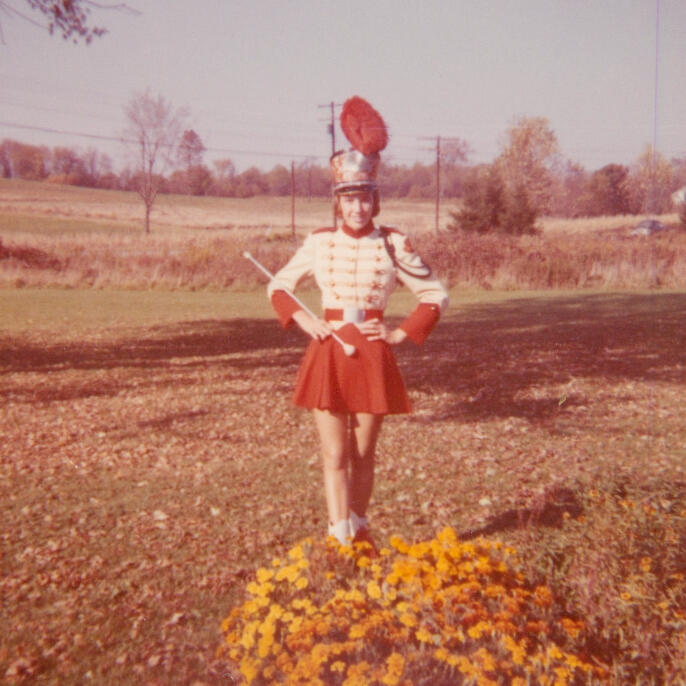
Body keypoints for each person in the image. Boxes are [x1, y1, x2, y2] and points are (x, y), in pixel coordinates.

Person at [266, 97, 449, 547]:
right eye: (349, 200)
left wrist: (398, 332)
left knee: (364, 453)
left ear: (374, 201)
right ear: (338, 203)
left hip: (371, 352)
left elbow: (436, 294)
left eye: (364, 199)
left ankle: (360, 529)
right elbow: (278, 287)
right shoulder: (319, 243)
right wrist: (305, 320)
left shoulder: (393, 244)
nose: (357, 209)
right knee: (335, 453)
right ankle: (338, 539)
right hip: (328, 351)